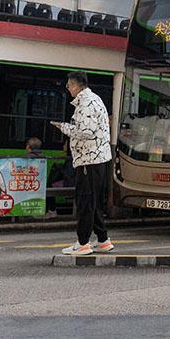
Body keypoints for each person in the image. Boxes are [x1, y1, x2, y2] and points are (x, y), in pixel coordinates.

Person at [52, 71, 114, 256]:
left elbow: (85, 131)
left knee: (85, 201)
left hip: (89, 159)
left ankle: (83, 242)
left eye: (69, 85)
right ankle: (103, 240)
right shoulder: (95, 99)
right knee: (92, 201)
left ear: (77, 86)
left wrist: (64, 127)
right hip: (96, 159)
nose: (68, 88)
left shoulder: (86, 103)